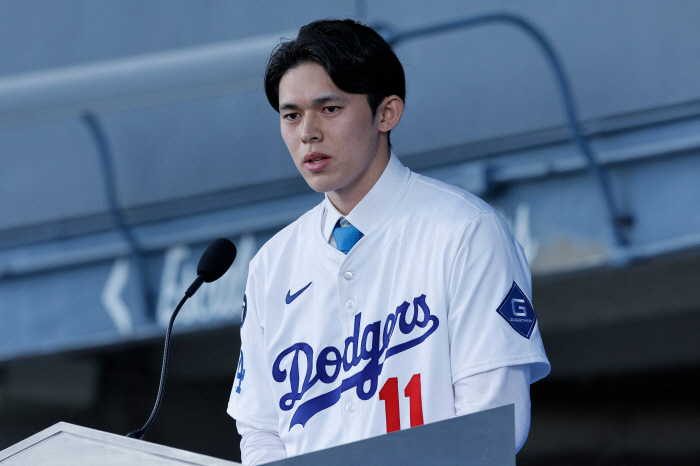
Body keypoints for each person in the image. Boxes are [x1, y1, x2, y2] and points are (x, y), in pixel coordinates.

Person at [227, 18, 550, 465]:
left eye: (330, 108)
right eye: (291, 115)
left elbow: (495, 419)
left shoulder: (464, 230)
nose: (307, 133)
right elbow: (261, 433)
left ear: (387, 113)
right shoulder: (271, 264)